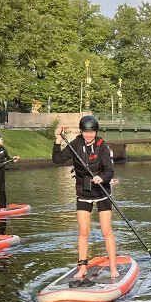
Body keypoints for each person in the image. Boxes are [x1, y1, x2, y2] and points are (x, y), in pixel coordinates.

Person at [52, 115, 117, 280]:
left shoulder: (102, 146)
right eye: (86, 132)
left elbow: (109, 171)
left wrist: (101, 177)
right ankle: (82, 268)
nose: (89, 135)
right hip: (83, 192)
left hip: (102, 192)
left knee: (106, 231)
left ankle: (113, 266)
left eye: (92, 132)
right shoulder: (75, 144)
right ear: (81, 131)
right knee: (83, 231)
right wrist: (58, 140)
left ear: (96, 132)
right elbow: (57, 160)